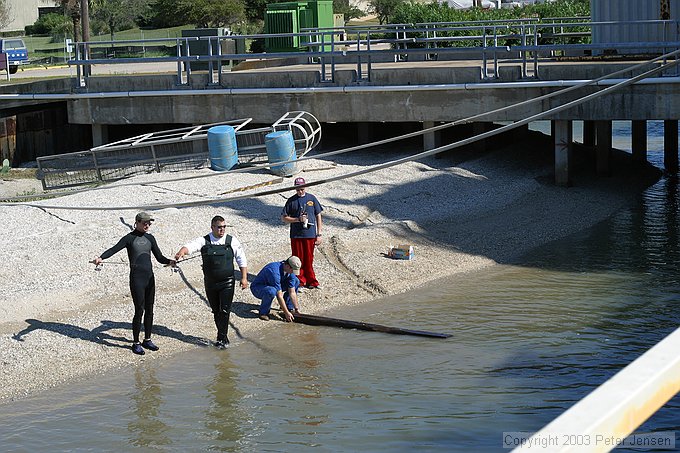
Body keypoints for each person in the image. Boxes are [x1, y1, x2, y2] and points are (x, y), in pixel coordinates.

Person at [92, 211, 175, 355]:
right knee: (139, 310)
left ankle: (147, 340)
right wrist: (101, 257)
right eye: (145, 223)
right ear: (137, 222)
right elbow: (114, 249)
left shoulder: (151, 238)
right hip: (137, 279)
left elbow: (159, 257)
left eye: (149, 223)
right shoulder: (129, 239)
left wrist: (170, 261)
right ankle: (136, 342)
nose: (147, 225)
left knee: (150, 309)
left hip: (150, 278)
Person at [174, 215, 248, 349]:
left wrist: (244, 278)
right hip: (211, 282)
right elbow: (190, 247)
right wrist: (181, 253)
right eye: (219, 227)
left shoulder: (231, 241)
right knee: (216, 311)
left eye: (224, 227)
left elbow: (241, 259)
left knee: (224, 310)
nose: (222, 230)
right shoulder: (204, 240)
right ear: (212, 227)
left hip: (227, 282)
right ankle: (222, 336)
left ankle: (221, 338)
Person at [281, 177, 323, 289]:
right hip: (296, 235)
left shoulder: (312, 199)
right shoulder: (291, 201)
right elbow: (284, 218)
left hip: (310, 234)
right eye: (298, 189)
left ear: (305, 187)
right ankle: (299, 282)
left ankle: (312, 281)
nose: (300, 191)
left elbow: (318, 215)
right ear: (295, 188)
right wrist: (297, 220)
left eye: (302, 189)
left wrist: (319, 234)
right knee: (297, 260)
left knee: (309, 258)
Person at [250, 256, 301, 322]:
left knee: (296, 281)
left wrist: (296, 309)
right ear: (288, 266)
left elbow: (292, 292)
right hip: (258, 288)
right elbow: (279, 295)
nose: (293, 272)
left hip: (275, 285)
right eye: (293, 270)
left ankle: (289, 307)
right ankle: (263, 313)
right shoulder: (274, 271)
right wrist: (286, 313)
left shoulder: (290, 271)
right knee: (271, 291)